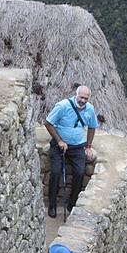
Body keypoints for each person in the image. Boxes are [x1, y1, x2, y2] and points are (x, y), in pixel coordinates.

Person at [44, 83, 98, 218]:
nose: (83, 101)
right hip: (59, 145)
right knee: (55, 172)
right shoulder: (63, 106)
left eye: (86, 98)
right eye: (81, 97)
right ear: (76, 95)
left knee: (79, 173)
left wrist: (88, 146)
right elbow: (48, 123)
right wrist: (59, 141)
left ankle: (71, 203)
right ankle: (52, 205)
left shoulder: (90, 109)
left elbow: (92, 127)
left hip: (78, 146)